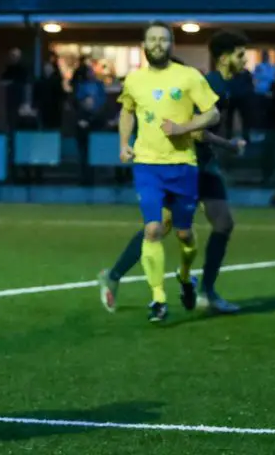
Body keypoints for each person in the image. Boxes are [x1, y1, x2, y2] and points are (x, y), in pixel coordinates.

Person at [99, 30, 248, 314]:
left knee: (219, 223)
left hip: (201, 165)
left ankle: (205, 290)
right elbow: (196, 130)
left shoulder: (222, 85)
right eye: (241, 55)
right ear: (224, 58)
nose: (244, 61)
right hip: (186, 164)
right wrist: (229, 145)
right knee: (162, 227)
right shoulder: (211, 83)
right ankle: (117, 276)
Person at [114, 22, 220, 322]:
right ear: (144, 45)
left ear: (171, 44)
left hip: (183, 165)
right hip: (147, 165)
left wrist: (183, 127)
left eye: (163, 39)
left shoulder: (188, 77)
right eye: (152, 39)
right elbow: (126, 110)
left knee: (185, 234)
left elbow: (213, 113)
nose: (158, 44)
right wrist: (124, 144)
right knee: (153, 228)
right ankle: (158, 299)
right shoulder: (133, 80)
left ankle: (185, 277)